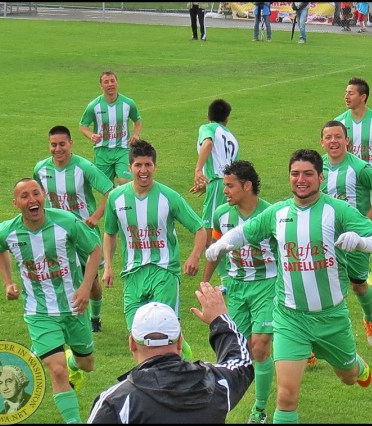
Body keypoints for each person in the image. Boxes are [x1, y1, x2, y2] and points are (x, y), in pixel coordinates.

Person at [205, 149, 372, 424]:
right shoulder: (278, 213)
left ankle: (356, 364)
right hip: (290, 318)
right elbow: (246, 231)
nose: (301, 180)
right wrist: (223, 243)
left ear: (320, 177)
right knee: (286, 396)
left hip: (331, 317)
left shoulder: (337, 211)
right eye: (295, 174)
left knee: (348, 377)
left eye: (307, 174)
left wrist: (360, 241)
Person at [0, 178, 100, 424]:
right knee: (57, 369)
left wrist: (85, 287)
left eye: (36, 193)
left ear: (43, 196)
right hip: (38, 312)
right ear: (16, 203)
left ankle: (73, 362)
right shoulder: (7, 231)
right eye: (25, 196)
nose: (32, 200)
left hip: (74, 306)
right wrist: (7, 282)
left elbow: (94, 249)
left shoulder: (67, 222)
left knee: (87, 364)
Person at [86, 284, 254, 423]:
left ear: (132, 344)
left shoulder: (116, 402)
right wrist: (220, 319)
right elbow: (241, 362)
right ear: (180, 343)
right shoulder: (215, 382)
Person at [102, 140, 208, 359]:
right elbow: (110, 233)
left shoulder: (168, 197)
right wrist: (108, 266)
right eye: (138, 165)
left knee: (163, 334)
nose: (143, 170)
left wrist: (194, 257)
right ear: (130, 167)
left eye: (148, 165)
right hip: (132, 275)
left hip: (164, 271)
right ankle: (171, 367)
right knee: (136, 335)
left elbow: (199, 228)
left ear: (155, 167)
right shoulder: (115, 198)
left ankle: (180, 374)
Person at [201, 160, 276, 424]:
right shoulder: (222, 214)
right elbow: (215, 249)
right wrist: (206, 281)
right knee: (236, 349)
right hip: (235, 287)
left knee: (259, 347)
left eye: (230, 186)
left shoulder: (271, 215)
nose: (225, 191)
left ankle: (259, 409)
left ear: (247, 186)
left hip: (267, 285)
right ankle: (221, 404)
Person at [34, 125, 115, 333]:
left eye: (62, 144)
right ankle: (66, 319)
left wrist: (96, 216)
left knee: (92, 280)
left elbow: (109, 191)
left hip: (83, 232)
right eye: (53, 145)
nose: (58, 149)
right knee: (61, 276)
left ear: (71, 143)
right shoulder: (41, 169)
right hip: (55, 234)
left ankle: (95, 317)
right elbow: (37, 197)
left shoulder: (84, 167)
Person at [321, 120, 372, 346]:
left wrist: (366, 221)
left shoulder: (360, 168)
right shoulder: (316, 168)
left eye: (338, 137)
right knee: (322, 284)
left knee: (358, 285)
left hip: (355, 239)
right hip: (326, 238)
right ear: (322, 142)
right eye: (328, 137)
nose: (333, 141)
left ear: (347, 140)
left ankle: (370, 318)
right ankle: (311, 340)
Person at [334, 77, 372, 285]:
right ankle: (361, 255)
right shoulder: (340, 123)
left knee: (366, 215)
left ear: (363, 96)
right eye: (345, 92)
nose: (346, 96)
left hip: (370, 177)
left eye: (351, 93)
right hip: (347, 175)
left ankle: (369, 259)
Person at [79, 70, 143, 185]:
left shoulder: (128, 103)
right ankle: (115, 199)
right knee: (106, 188)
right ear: (101, 86)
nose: (110, 84)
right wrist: (91, 135)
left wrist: (135, 134)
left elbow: (137, 120)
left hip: (122, 149)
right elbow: (83, 125)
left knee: (126, 181)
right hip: (102, 151)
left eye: (112, 81)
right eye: (106, 82)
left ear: (117, 83)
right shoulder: (94, 106)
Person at [191, 99, 240, 239]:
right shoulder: (232, 138)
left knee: (209, 223)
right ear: (227, 118)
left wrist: (198, 170)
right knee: (225, 222)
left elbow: (207, 144)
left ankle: (210, 256)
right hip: (231, 184)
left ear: (208, 115)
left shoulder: (207, 128)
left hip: (218, 182)